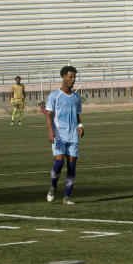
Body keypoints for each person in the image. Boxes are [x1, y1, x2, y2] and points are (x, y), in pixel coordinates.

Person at [45, 66, 84, 205]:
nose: (73, 80)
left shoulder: (76, 97)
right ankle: (53, 186)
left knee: (72, 167)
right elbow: (48, 114)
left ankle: (66, 197)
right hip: (59, 136)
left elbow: (77, 115)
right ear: (63, 77)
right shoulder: (54, 96)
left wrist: (80, 125)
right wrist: (51, 131)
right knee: (59, 162)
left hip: (73, 136)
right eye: (70, 77)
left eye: (74, 77)